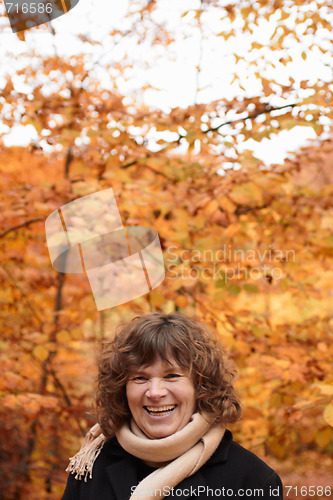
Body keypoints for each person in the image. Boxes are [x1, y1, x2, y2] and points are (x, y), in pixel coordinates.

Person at [62, 312, 283, 500]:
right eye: (140, 378)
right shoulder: (90, 468)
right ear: (122, 388)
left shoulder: (253, 480)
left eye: (172, 376)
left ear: (201, 385)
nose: (155, 392)